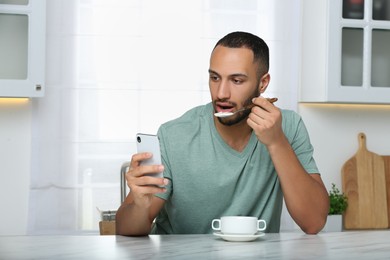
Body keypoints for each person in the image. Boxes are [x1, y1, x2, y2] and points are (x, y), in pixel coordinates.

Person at [116, 31, 329, 235]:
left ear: (263, 83)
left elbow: (314, 222)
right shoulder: (174, 135)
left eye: (237, 81)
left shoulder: (288, 126)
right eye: (215, 78)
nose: (221, 93)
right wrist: (140, 206)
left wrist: (277, 143)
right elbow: (125, 229)